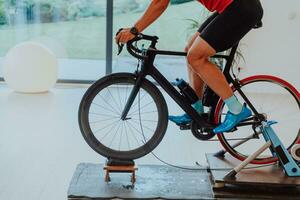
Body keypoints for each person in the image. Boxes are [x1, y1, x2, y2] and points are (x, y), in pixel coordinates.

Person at [115, 0, 264, 133]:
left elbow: (160, 3)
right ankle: (196, 110)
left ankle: (236, 109)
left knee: (196, 57)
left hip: (240, 8)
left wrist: (134, 31)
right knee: (190, 50)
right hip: (230, 8)